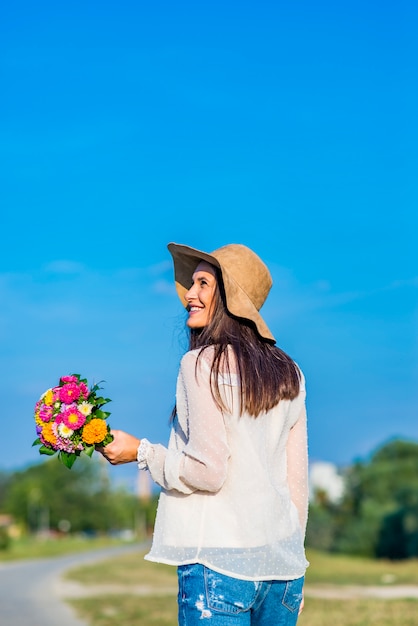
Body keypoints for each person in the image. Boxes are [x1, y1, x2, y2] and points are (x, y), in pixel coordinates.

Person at [99, 242, 309, 625]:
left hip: (219, 565)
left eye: (202, 283)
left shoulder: (200, 363)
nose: (188, 296)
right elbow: (297, 486)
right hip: (283, 571)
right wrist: (292, 558)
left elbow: (208, 471)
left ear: (228, 296)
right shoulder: (290, 373)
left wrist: (140, 453)